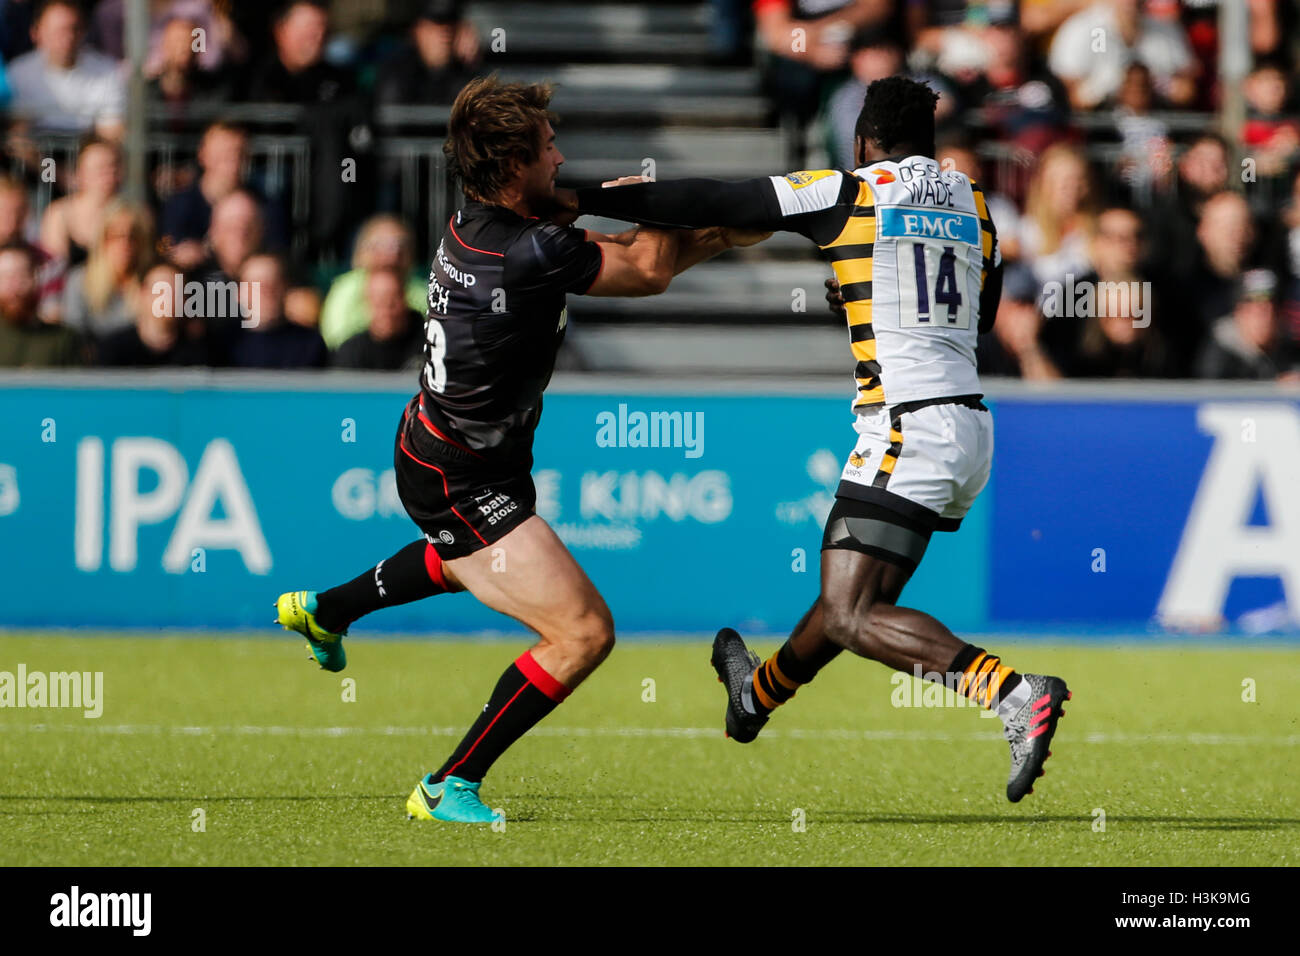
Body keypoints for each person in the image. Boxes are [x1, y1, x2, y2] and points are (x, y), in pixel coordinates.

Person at [567, 76, 1071, 803]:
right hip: (970, 427)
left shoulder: (849, 190)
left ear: (863, 142)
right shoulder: (979, 205)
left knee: (848, 611)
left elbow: (722, 200)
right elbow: (973, 314)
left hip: (907, 425)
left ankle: (1015, 692)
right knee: (858, 600)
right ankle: (757, 695)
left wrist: (590, 198)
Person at [274, 76, 747, 824]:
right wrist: (684, 207)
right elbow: (650, 266)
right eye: (548, 145)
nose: (561, 155)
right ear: (511, 166)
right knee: (583, 631)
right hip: (460, 473)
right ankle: (447, 785)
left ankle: (327, 612)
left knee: (468, 562)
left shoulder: (483, 219)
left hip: (444, 449)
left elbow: (613, 238)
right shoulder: (527, 250)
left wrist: (712, 226)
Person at [6, 0, 125, 135]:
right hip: (37, 153)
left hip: (89, 150)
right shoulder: (17, 73)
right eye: (58, 31)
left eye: (74, 29)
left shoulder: (108, 71)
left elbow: (112, 131)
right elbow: (18, 131)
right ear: (36, 33)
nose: (68, 38)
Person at [318, 214, 427, 349]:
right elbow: (335, 337)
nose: (393, 253)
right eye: (382, 244)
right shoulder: (345, 288)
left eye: (400, 245)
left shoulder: (422, 290)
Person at [61, 199, 153, 341]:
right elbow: (73, 336)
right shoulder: (80, 281)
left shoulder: (151, 280)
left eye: (132, 236)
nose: (125, 243)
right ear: (102, 240)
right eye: (116, 236)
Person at [39, 134, 122, 268]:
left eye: (113, 166)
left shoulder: (129, 214)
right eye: (100, 168)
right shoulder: (59, 214)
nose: (109, 174)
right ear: (80, 172)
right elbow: (54, 269)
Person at [0, 241, 82, 366]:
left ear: (36, 278)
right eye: (5, 277)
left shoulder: (62, 340)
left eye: (21, 275)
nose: (14, 286)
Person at [331, 266, 425, 370]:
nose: (387, 310)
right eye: (379, 302)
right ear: (367, 303)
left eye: (393, 301)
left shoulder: (430, 344)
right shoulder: (351, 353)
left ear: (405, 298)